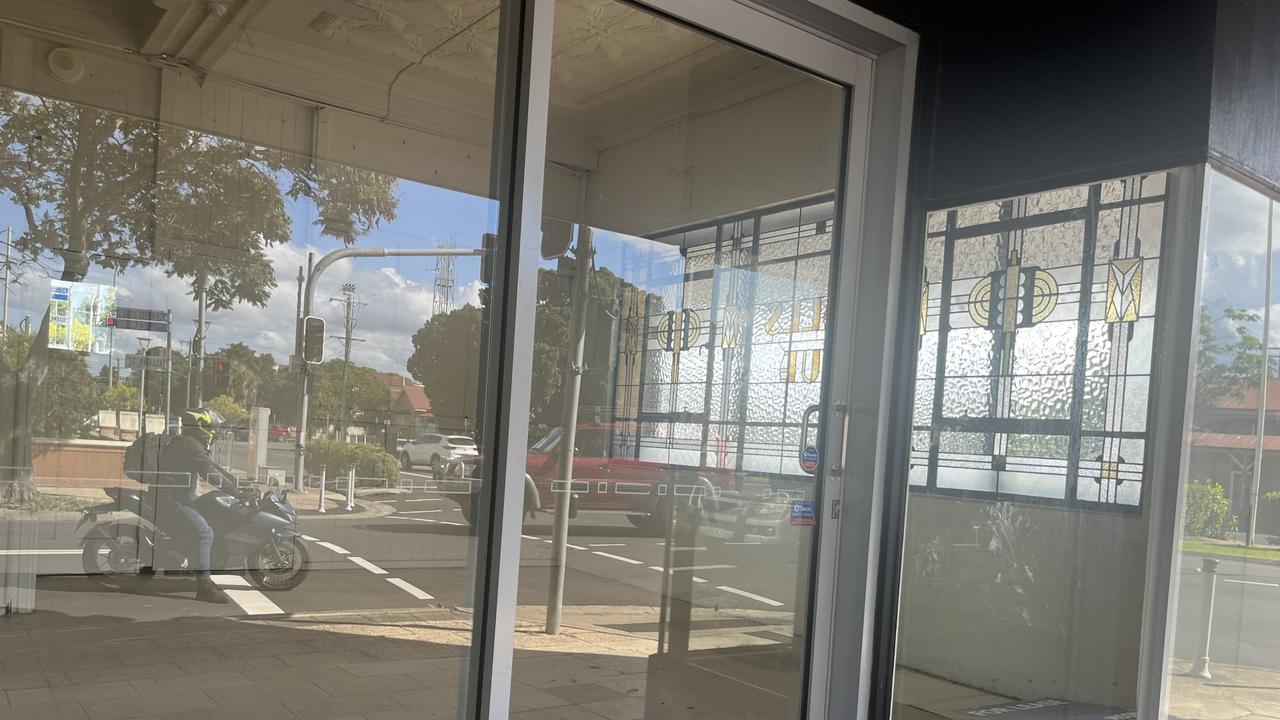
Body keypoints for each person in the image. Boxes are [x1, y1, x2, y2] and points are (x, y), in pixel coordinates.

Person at [156, 408, 240, 603]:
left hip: (179, 496)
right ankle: (204, 587)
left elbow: (212, 467)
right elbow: (209, 474)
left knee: (210, 510)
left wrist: (237, 484)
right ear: (200, 427)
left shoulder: (189, 443)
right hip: (171, 499)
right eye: (211, 427)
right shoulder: (190, 446)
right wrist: (237, 492)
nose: (215, 431)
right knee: (205, 532)